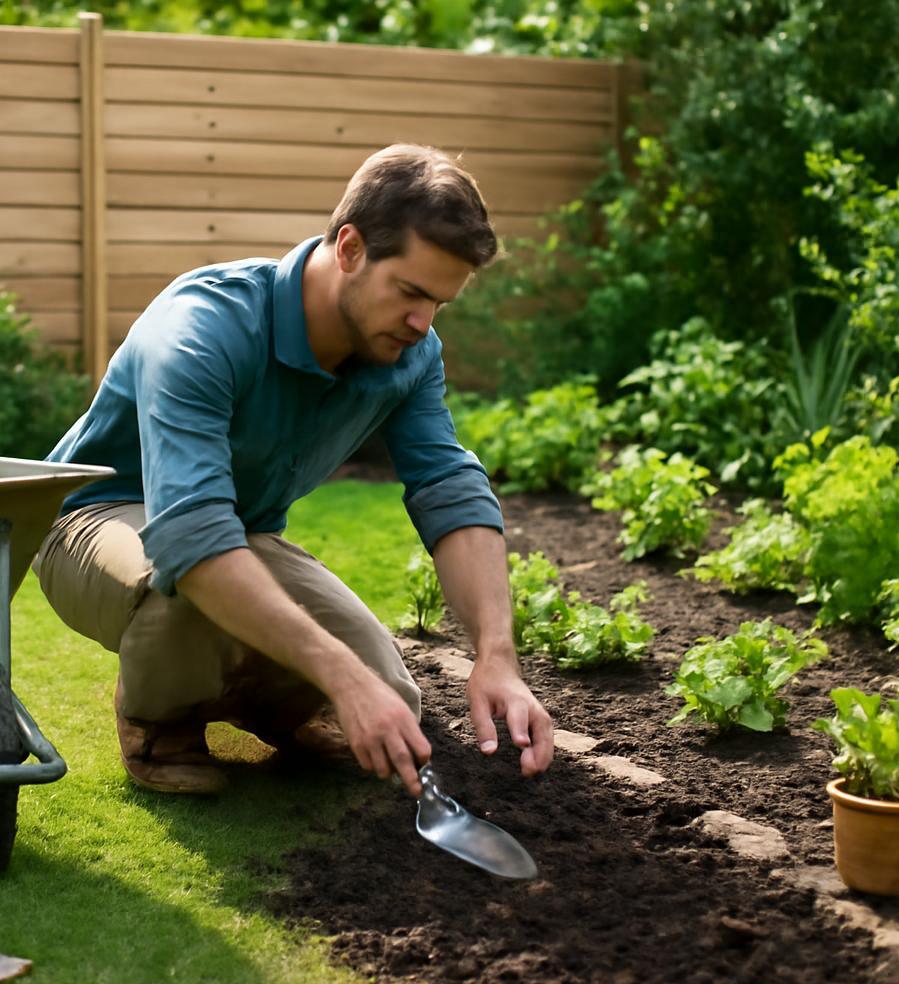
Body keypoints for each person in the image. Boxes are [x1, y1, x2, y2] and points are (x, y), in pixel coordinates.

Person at [32, 143, 554, 797]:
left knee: (391, 692)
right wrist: (339, 674)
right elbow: (188, 533)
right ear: (351, 249)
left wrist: (496, 657)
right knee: (185, 589)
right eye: (411, 293)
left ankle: (261, 704)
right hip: (93, 521)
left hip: (238, 534)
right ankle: (158, 723)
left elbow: (447, 487)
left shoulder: (407, 351)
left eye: (440, 304)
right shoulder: (201, 328)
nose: (423, 323)